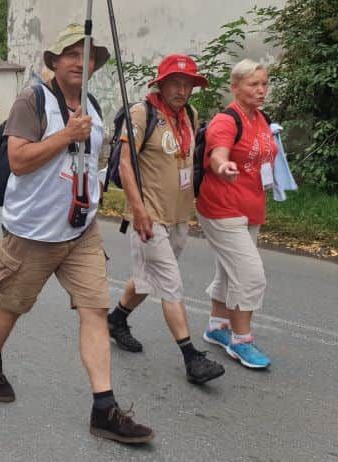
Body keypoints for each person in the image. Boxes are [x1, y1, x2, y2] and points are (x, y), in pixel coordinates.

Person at [0, 23, 154, 445]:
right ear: (54, 62)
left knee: (94, 309)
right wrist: (65, 136)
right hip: (32, 233)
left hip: (80, 231)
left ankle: (104, 408)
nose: (80, 62)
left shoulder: (90, 103)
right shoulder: (32, 100)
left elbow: (87, 161)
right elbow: (18, 160)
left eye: (87, 55)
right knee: (11, 307)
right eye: (71, 54)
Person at [107, 55, 226, 386]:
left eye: (188, 84)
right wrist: (139, 209)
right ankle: (192, 358)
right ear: (160, 83)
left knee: (148, 279)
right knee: (171, 283)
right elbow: (127, 165)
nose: (182, 89)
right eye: (176, 82)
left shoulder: (190, 114)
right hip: (149, 217)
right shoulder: (142, 113)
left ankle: (116, 320)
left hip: (178, 216)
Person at [196, 59, 276, 370]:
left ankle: (218, 327)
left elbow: (264, 154)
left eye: (264, 83)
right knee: (249, 274)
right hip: (221, 207)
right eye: (253, 84)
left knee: (230, 271)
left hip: (250, 206)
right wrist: (222, 165)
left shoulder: (261, 118)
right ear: (235, 87)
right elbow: (218, 152)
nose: (261, 90)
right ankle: (242, 341)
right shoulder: (226, 121)